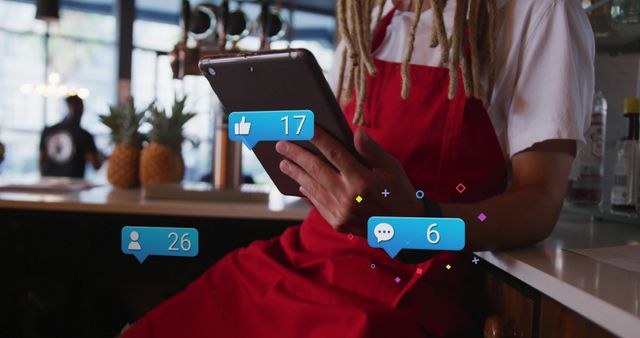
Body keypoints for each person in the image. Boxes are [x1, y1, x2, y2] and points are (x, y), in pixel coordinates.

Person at [123, 0, 594, 337]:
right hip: (302, 257)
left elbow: (540, 202)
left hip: (402, 289)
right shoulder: (370, 14)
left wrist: (423, 226)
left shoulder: (537, 11)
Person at [39, 95, 103, 178]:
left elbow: (41, 160)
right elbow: (95, 165)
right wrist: (101, 156)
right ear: (82, 109)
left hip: (49, 182)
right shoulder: (84, 134)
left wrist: (43, 180)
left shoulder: (48, 130)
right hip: (75, 184)